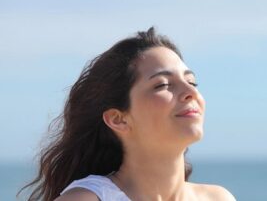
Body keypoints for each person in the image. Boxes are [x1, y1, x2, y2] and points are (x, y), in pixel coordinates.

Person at [20, 27, 236, 201]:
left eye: (191, 81)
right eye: (162, 85)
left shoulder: (219, 198)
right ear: (118, 119)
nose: (191, 92)